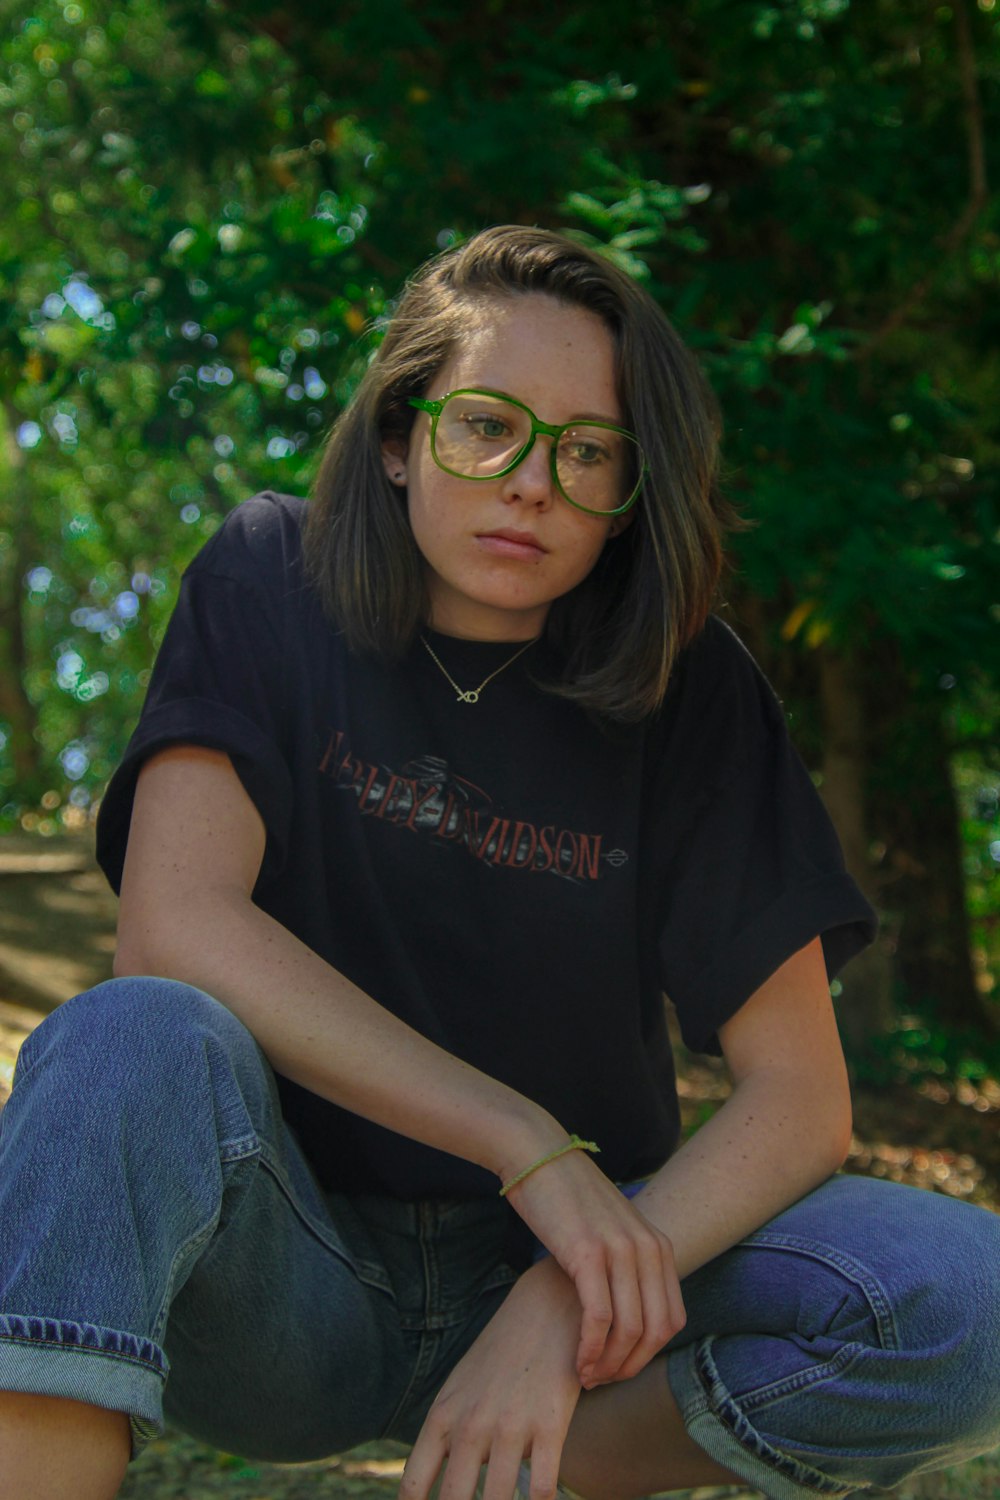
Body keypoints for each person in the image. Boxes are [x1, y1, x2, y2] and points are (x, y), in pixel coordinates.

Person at [0, 225, 998, 1500]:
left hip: (591, 1314)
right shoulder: (269, 576)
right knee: (123, 1036)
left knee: (969, 1301)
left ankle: (515, 1457)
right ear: (402, 436)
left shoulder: (694, 695)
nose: (532, 482)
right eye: (487, 425)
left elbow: (801, 1100)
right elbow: (176, 925)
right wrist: (527, 1145)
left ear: (632, 494)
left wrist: (558, 1286)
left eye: (588, 451)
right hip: (285, 1274)